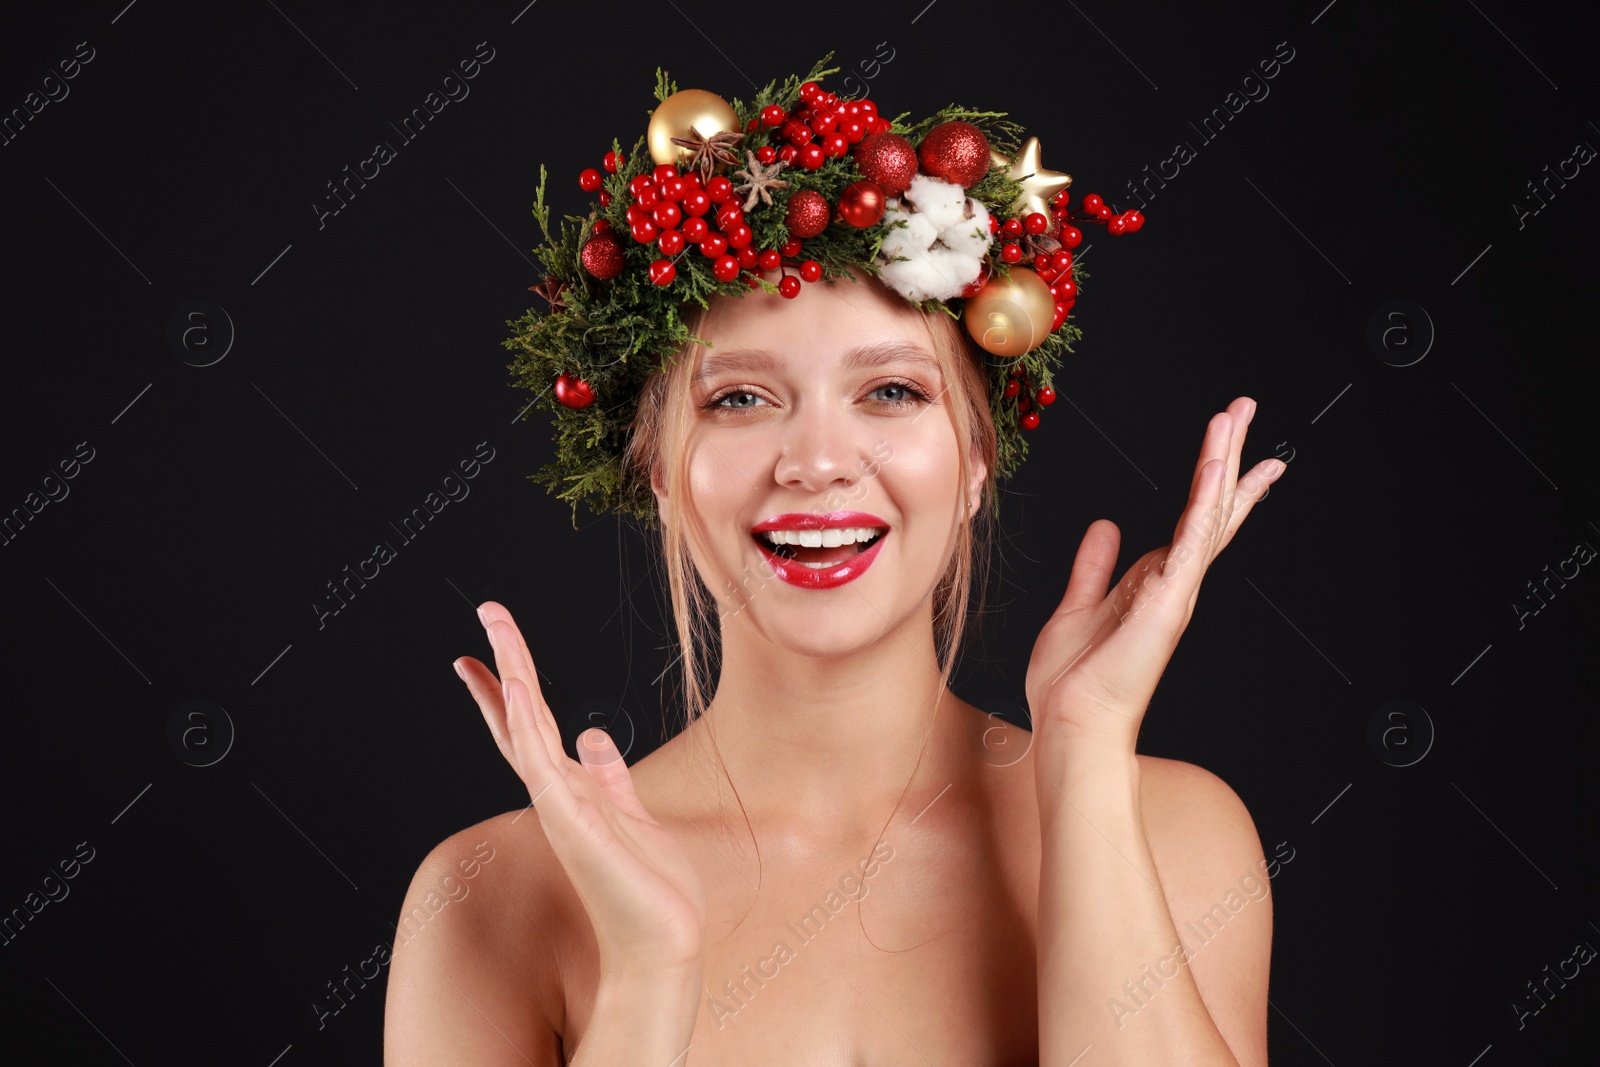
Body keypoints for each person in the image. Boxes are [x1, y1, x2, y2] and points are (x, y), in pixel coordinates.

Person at [384, 59, 1283, 1066]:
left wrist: (1084, 755)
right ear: (658, 471)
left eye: (891, 391)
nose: (814, 461)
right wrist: (647, 971)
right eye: (738, 398)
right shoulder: (490, 897)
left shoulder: (1172, 833)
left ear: (976, 459)